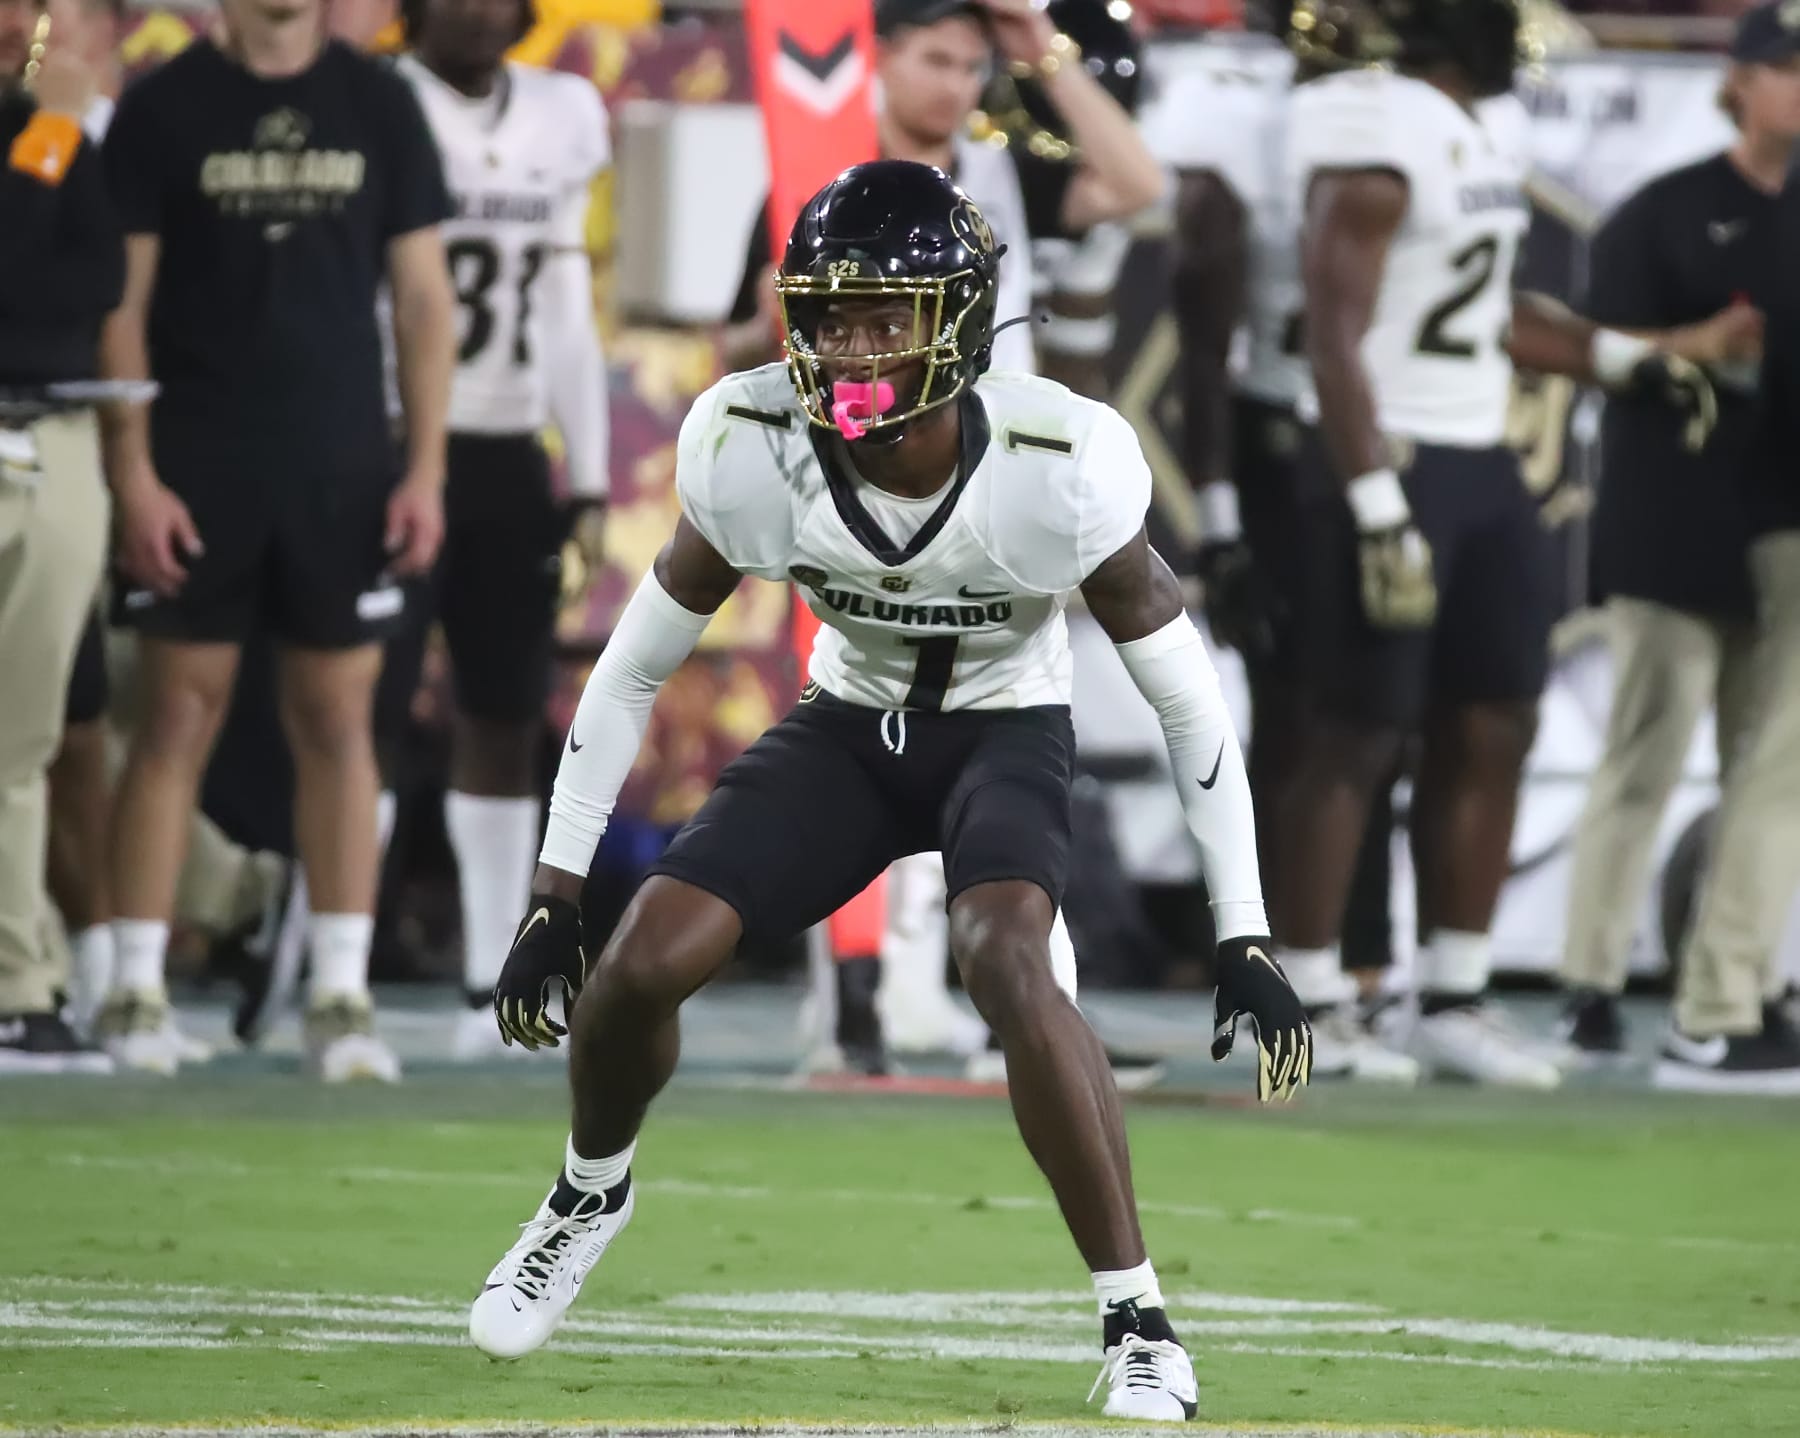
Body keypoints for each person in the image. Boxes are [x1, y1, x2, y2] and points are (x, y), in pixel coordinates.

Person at [466, 162, 1311, 1419]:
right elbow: (631, 668)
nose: (849, 348)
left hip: (1003, 729)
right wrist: (554, 892)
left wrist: (1242, 926)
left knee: (1005, 956)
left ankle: (1138, 1319)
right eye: (830, 317)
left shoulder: (1055, 458)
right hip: (849, 727)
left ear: (958, 323)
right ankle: (588, 1192)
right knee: (641, 956)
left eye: (884, 319)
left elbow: (1188, 699)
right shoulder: (754, 444)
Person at [1273, 0, 1719, 1086]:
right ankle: (1306, 995)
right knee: (1355, 733)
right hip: (1395, 453)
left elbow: (1478, 308)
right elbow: (1334, 332)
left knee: (1496, 718)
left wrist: (1624, 361)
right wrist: (1375, 500)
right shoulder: (1370, 125)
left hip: (1480, 460)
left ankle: (1455, 997)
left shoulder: (1477, 129)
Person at [95, 0, 457, 1078]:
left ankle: (340, 997)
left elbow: (424, 299)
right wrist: (133, 472)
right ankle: (132, 990)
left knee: (341, 723)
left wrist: (426, 467)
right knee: (174, 720)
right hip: (199, 463)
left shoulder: (379, 101)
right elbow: (123, 303)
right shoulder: (164, 107)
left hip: (342, 465)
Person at [1159, 10, 1420, 1083]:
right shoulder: (1236, 110)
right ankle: (1271, 968)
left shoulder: (1414, 119)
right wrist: (1218, 523)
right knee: (1305, 719)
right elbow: (1203, 334)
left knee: (1372, 714)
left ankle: (1360, 972)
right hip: (1282, 452)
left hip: (1383, 440)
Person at [1558, 0, 1799, 1087]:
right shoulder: (1666, 211)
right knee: (1649, 756)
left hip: (1771, 515)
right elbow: (1588, 349)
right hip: (1670, 512)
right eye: (1784, 68)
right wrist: (1691, 344)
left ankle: (1738, 981)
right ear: (1739, 82)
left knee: (1763, 761)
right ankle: (1592, 981)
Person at [394, 0, 610, 1061]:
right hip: (388, 443)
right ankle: (334, 964)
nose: (480, 11)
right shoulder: (385, 103)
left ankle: (495, 970)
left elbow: (569, 304)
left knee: (502, 707)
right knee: (358, 704)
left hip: (511, 444)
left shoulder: (565, 110)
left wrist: (594, 467)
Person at [1669, 3, 1800, 1095]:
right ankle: (1719, 1008)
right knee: (1782, 760)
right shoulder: (1730, 209)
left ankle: (1749, 984)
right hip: (1783, 509)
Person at [0, 0, 120, 1073]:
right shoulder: (55, 129)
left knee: (26, 736)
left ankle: (20, 987)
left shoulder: (66, 130)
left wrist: (51, 139)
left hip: (57, 432)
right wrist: (48, 139)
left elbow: (93, 282)